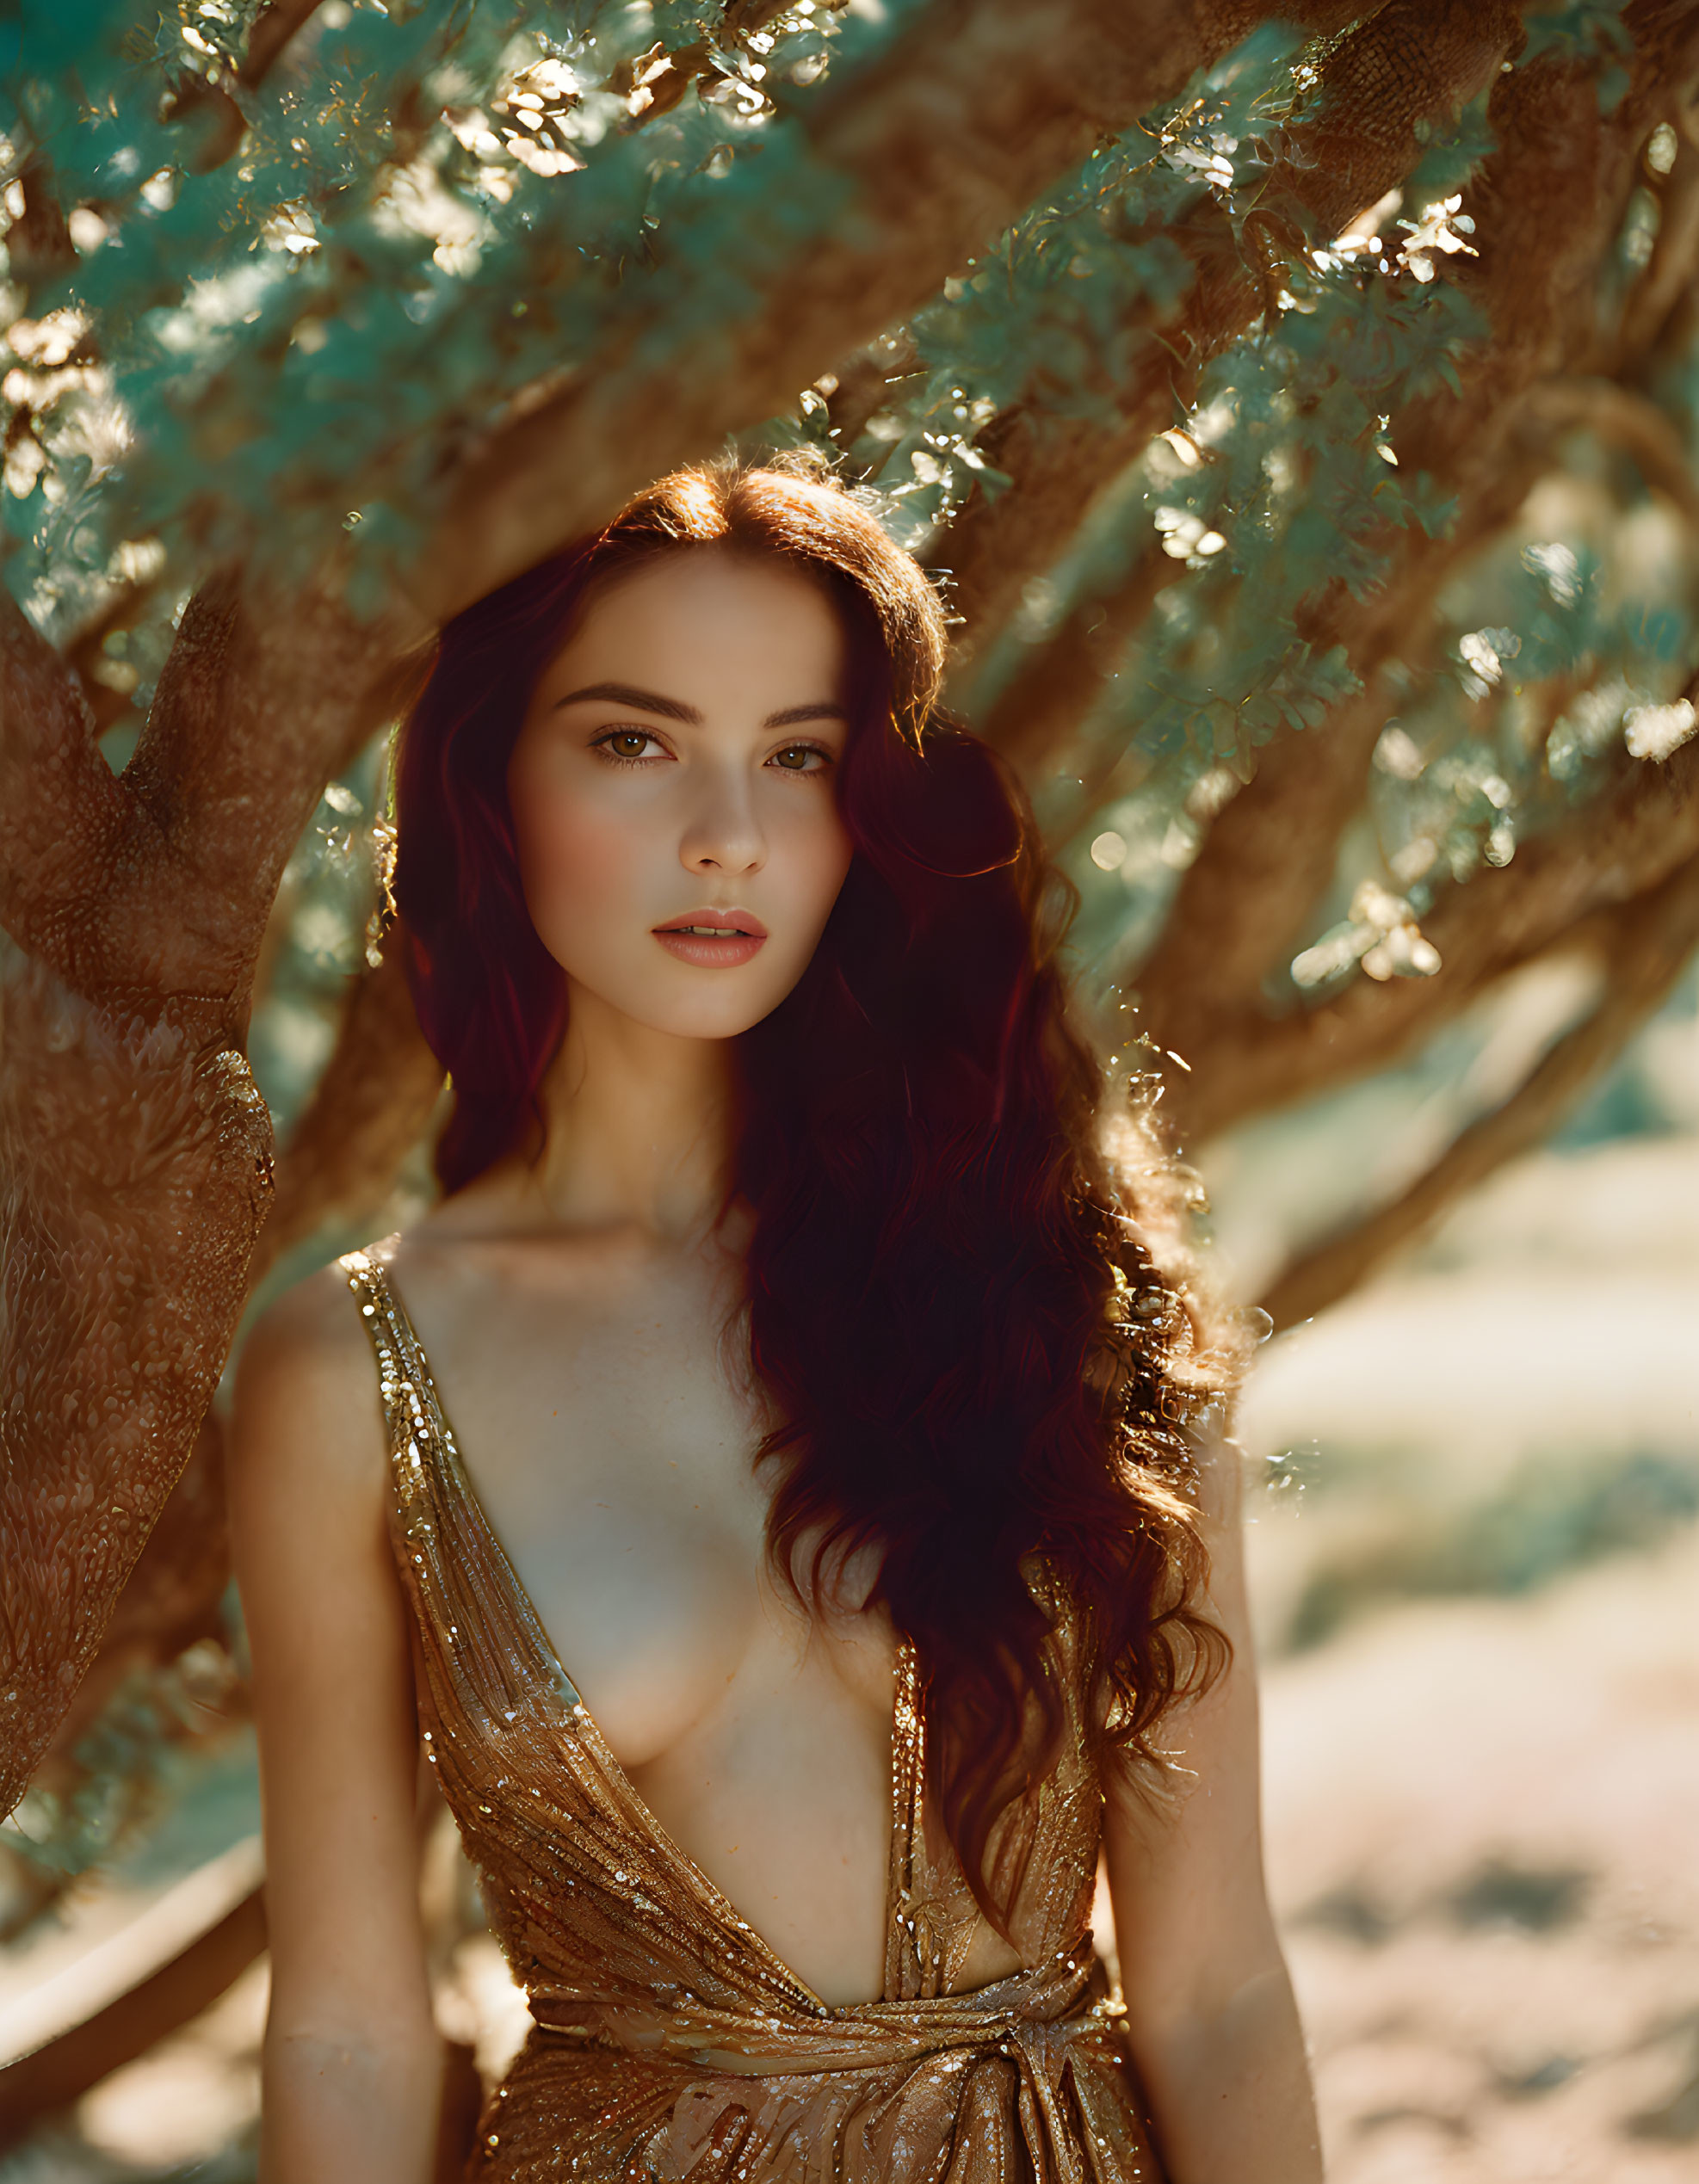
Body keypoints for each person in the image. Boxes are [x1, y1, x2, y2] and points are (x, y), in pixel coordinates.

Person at [230, 457, 1321, 2184]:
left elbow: (1219, 1995)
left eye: (799, 757)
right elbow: (352, 2022)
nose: (727, 829)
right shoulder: (353, 1372)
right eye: (633, 741)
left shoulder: (1062, 1292)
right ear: (491, 789)